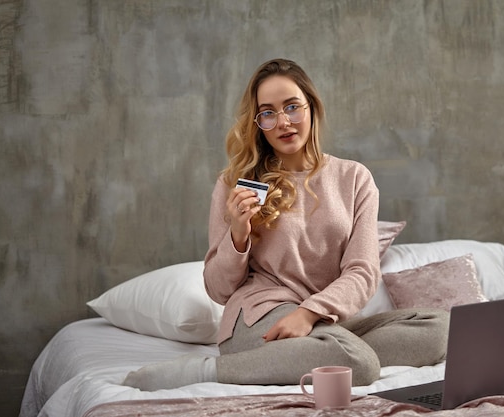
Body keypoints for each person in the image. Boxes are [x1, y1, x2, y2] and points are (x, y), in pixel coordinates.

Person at [123, 58, 448, 391]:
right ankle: (207, 370)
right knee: (359, 364)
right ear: (258, 123)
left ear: (311, 108)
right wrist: (238, 233)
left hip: (324, 320)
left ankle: (317, 352)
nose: (283, 122)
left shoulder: (354, 178)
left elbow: (363, 272)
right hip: (260, 316)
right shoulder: (236, 183)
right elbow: (218, 289)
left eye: (292, 107)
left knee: (440, 326)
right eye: (268, 113)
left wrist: (308, 314)